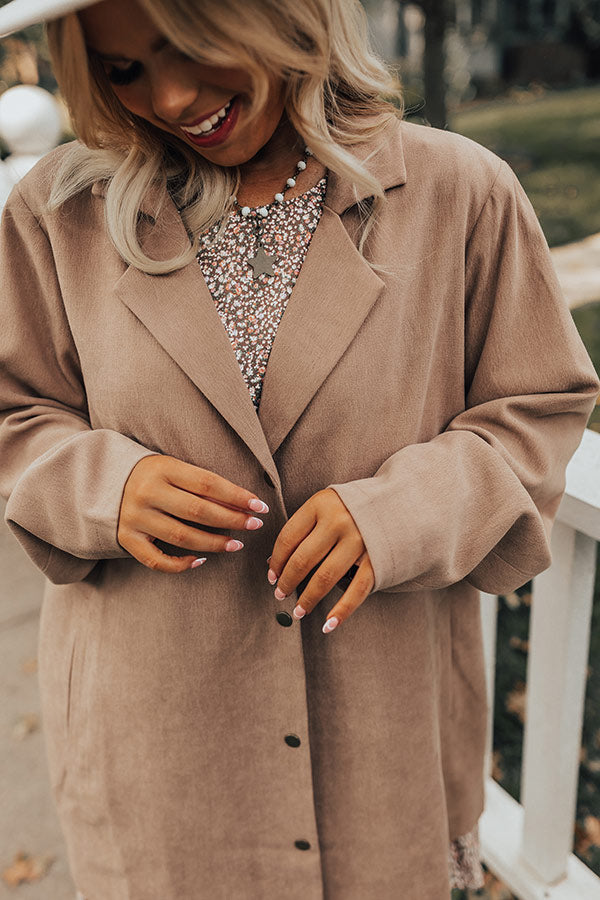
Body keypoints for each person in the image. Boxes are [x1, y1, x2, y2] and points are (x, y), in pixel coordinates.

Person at [0, 0, 598, 897]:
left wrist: (404, 512)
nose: (171, 97)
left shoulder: (459, 193)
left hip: (381, 732)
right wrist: (101, 487)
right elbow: (16, 412)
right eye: (123, 71)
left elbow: (539, 406)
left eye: (193, 47)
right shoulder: (58, 213)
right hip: (157, 743)